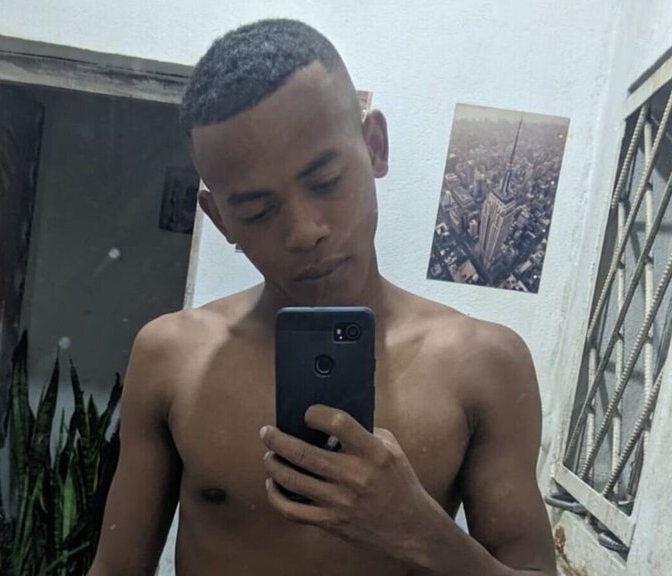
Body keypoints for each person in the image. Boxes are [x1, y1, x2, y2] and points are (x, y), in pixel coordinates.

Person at [88, 19, 556, 576]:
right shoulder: (171, 357)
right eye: (259, 211)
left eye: (327, 181)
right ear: (220, 220)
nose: (306, 232)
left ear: (375, 147)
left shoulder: (485, 366)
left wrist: (422, 533)